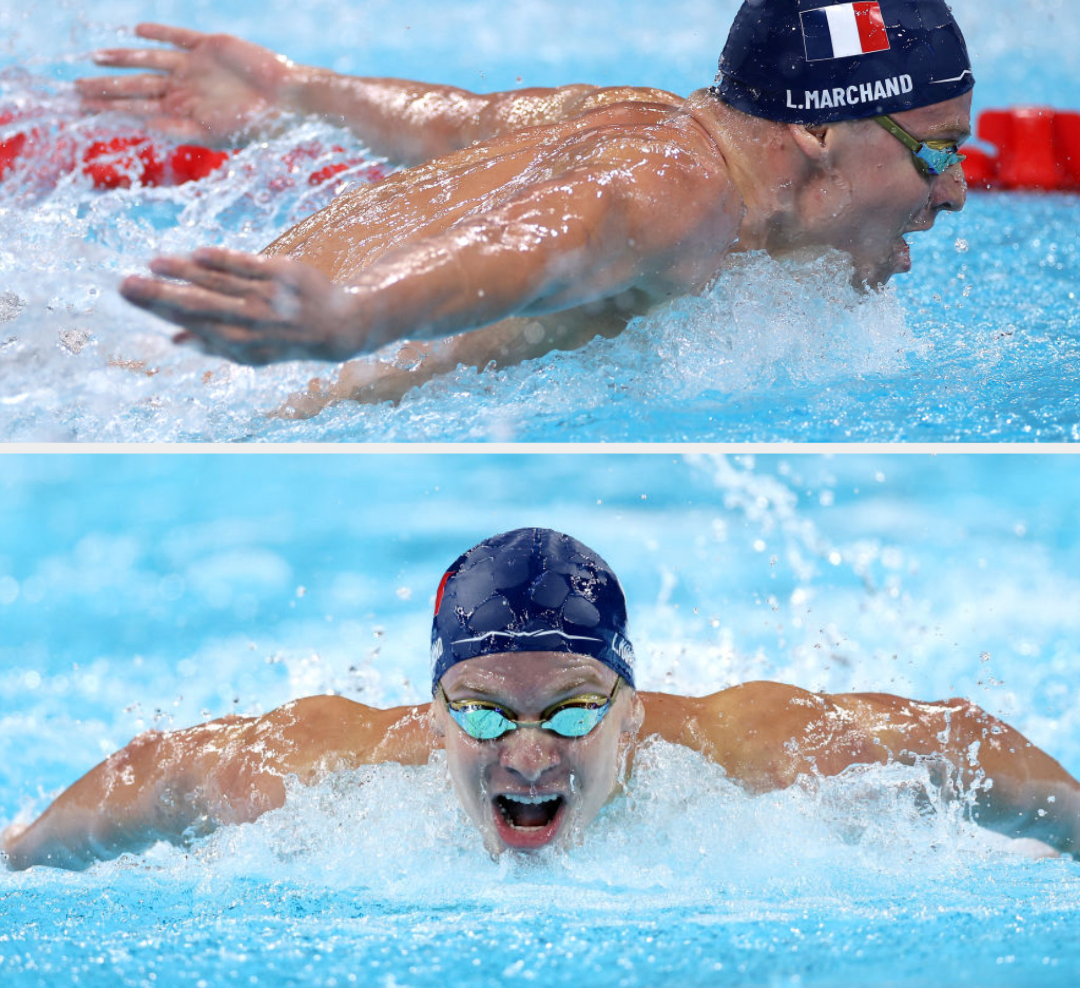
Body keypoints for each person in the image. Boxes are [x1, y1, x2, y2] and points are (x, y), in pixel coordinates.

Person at [78, 0, 973, 414]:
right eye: (936, 150)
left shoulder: (647, 117)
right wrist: (352, 318)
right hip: (238, 378)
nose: (957, 190)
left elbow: (463, 119)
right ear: (819, 127)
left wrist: (294, 90)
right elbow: (534, 240)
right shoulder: (680, 186)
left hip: (147, 358)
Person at [3, 527, 1077, 871]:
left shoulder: (759, 756)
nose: (526, 755)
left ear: (632, 712)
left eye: (568, 711)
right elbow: (167, 767)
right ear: (431, 717)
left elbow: (955, 740)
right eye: (480, 713)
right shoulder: (324, 773)